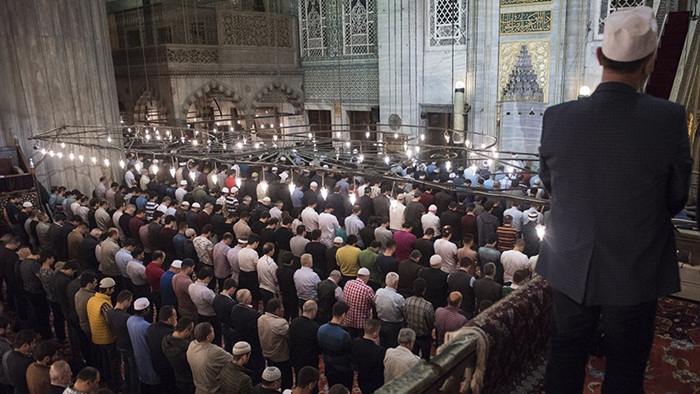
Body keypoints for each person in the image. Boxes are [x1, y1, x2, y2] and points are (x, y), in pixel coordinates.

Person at [538, 6, 692, 393]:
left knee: (565, 357)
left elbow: (550, 187)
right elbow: (676, 198)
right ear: (651, 65)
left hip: (571, 262)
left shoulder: (557, 117)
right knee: (625, 366)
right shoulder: (669, 118)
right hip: (635, 268)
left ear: (599, 57)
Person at [86, 277, 122, 392]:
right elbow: (111, 322)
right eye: (112, 289)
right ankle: (116, 385)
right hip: (107, 338)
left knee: (105, 361)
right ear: (108, 290)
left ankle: (107, 380)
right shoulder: (104, 304)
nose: (113, 291)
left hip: (96, 336)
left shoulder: (92, 299)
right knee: (114, 364)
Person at [230, 289, 265, 385]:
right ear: (247, 300)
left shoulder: (234, 309)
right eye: (250, 296)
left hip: (241, 337)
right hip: (253, 341)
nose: (251, 297)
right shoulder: (253, 315)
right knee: (257, 362)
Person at [186, 322, 232, 394]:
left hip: (199, 389)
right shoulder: (214, 351)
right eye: (212, 331)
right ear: (208, 337)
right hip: (214, 390)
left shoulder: (192, 345)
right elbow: (232, 360)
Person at [317, 302, 353, 390]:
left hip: (328, 368)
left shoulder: (321, 329)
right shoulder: (344, 335)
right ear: (344, 315)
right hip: (343, 370)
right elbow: (349, 354)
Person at [258, 298, 292, 390]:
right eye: (282, 308)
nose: (283, 310)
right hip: (281, 357)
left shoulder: (261, 319)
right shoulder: (280, 323)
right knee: (286, 382)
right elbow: (290, 337)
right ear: (277, 310)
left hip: (268, 354)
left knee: (272, 380)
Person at [127, 298, 161, 391]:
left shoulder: (130, 320)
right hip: (147, 357)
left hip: (137, 356)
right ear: (145, 310)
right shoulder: (146, 326)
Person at [161, 317, 196, 394]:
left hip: (177, 376)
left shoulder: (166, 340)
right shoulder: (187, 348)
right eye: (191, 331)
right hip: (188, 379)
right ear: (186, 331)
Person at [188, 267, 221, 346]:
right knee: (215, 337)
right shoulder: (206, 292)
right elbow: (215, 302)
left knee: (203, 336)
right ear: (207, 278)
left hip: (200, 313)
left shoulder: (191, 286)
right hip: (211, 316)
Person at [351, 319, 385, 394]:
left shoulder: (355, 343)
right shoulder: (379, 350)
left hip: (361, 378)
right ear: (375, 334)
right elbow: (381, 368)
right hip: (375, 381)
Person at [147, 305, 177, 391]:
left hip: (155, 364)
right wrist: (175, 328)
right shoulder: (169, 334)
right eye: (174, 316)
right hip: (167, 367)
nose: (176, 318)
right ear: (169, 319)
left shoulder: (151, 327)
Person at [403, 278, 434, 360]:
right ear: (424, 290)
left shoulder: (407, 301)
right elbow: (431, 323)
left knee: (413, 355)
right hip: (424, 336)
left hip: (412, 334)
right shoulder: (427, 305)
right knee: (425, 358)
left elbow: (405, 316)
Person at [288, 301, 320, 377]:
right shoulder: (314, 326)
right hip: (309, 361)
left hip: (296, 358)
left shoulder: (294, 322)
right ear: (313, 311)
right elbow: (317, 346)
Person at [342, 268, 375, 339]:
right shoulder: (367, 290)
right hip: (361, 323)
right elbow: (374, 303)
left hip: (348, 320)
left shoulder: (348, 283)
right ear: (366, 277)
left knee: (351, 338)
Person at [374, 272, 405, 348]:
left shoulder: (378, 292)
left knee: (383, 345)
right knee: (394, 346)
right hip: (395, 326)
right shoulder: (398, 298)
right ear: (396, 283)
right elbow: (404, 311)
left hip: (381, 322)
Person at [3, 329, 37, 394]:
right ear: (25, 345)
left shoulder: (7, 355)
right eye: (33, 343)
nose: (35, 345)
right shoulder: (28, 363)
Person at [213, 278, 239, 353]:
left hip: (222, 325)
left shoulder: (216, 298)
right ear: (231, 289)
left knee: (227, 346)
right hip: (231, 327)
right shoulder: (231, 303)